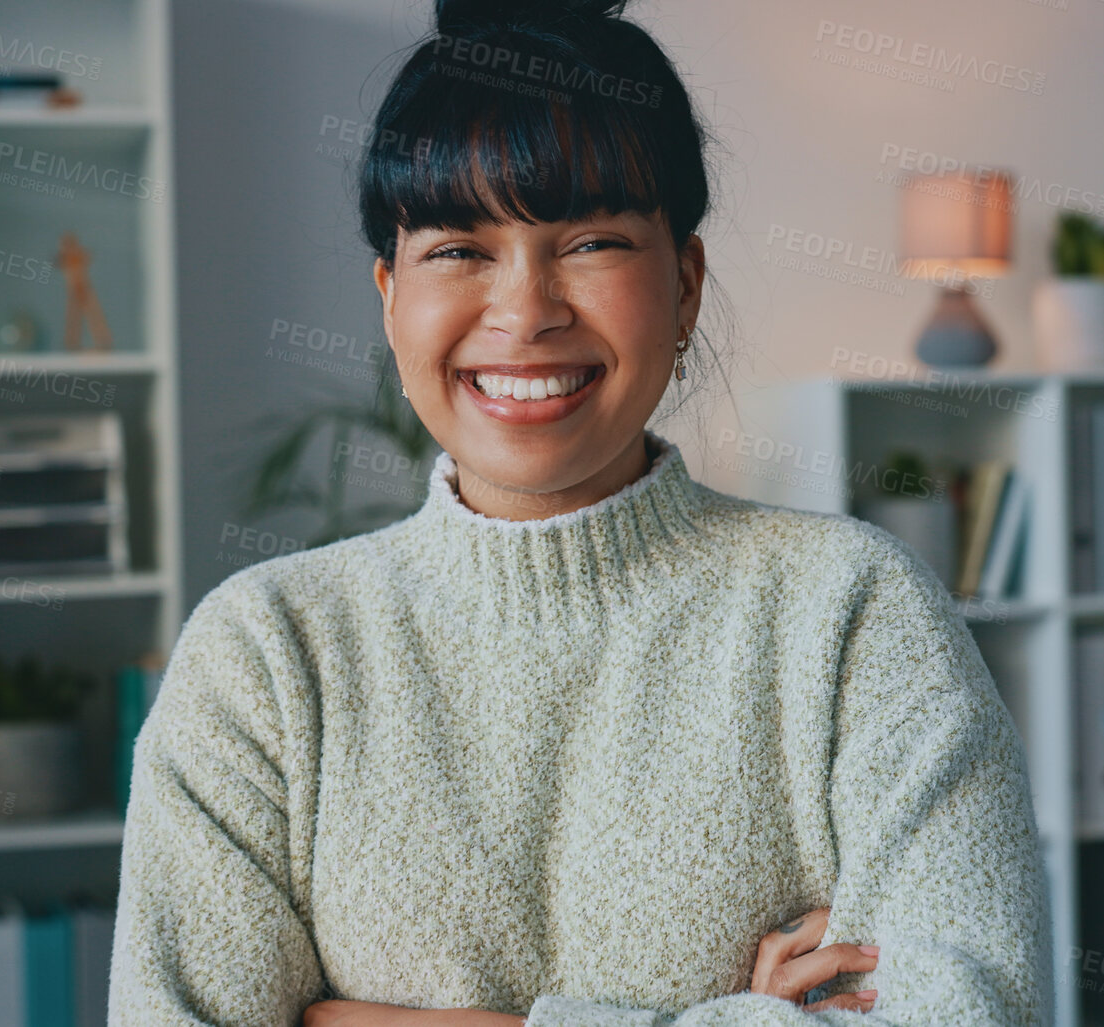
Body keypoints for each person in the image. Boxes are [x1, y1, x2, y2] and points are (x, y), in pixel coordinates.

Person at [107, 0, 1052, 1023]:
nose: (524, 311)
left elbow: (970, 1011)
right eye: (458, 249)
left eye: (593, 240)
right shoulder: (266, 654)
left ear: (685, 286)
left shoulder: (855, 612)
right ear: (389, 296)